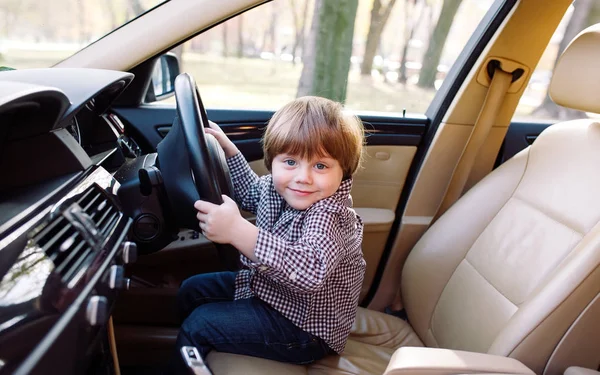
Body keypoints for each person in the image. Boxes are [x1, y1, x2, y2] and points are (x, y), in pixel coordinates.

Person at [174, 96, 366, 373]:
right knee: (192, 290)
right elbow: (252, 192)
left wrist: (238, 230)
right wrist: (230, 153)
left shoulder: (330, 215)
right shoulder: (281, 189)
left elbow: (310, 270)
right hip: (272, 294)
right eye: (290, 162)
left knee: (200, 323)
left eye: (320, 166)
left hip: (304, 328)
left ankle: (187, 354)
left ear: (343, 171)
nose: (303, 177)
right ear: (272, 160)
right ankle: (200, 349)